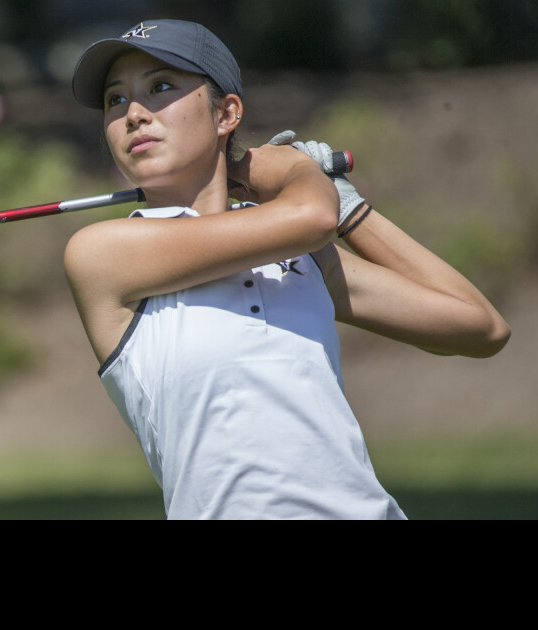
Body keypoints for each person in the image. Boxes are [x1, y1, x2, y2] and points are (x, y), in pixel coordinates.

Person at [63, 18, 511, 519]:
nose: (133, 115)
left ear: (226, 112)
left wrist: (351, 211)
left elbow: (479, 327)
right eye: (115, 100)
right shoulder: (104, 253)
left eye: (161, 87)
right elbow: (310, 216)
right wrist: (294, 170)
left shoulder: (302, 249)